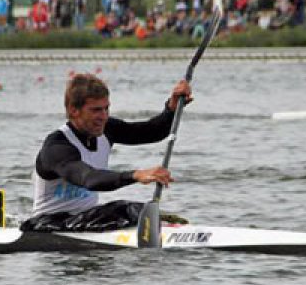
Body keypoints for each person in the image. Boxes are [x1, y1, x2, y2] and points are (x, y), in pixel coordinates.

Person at [24, 73, 192, 229]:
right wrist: (135, 175)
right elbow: (89, 178)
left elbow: (151, 131)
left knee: (136, 210)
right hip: (47, 224)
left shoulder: (107, 129)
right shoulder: (56, 147)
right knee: (126, 209)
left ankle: (166, 228)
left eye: (106, 108)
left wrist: (172, 107)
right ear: (74, 110)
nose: (103, 116)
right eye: (96, 110)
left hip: (85, 219)